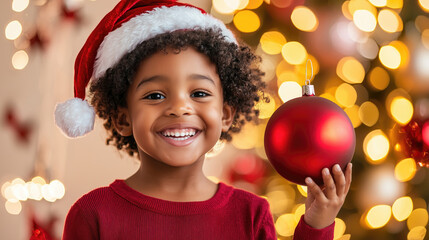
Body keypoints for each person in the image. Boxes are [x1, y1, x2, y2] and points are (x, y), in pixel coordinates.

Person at [56, 0, 352, 239]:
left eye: (198, 92)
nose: (179, 108)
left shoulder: (250, 215)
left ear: (225, 114)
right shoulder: (93, 214)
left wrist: (316, 224)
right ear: (122, 117)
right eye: (155, 96)